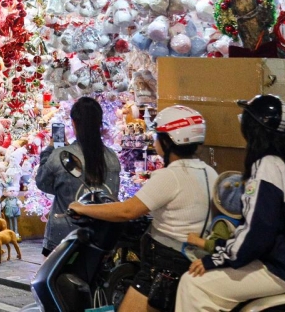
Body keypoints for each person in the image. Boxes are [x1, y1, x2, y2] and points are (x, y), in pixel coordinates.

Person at [70, 105, 216, 312]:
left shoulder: (170, 176)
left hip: (164, 267)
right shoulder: (209, 172)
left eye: (158, 136)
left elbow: (127, 211)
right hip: (191, 259)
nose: (155, 141)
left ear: (168, 141)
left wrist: (83, 208)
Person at [176, 95, 285, 312]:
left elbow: (258, 231)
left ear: (253, 127)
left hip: (282, 268)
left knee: (193, 283)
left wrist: (216, 259)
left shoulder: (267, 166)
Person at [35, 96, 122, 256]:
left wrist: (49, 150)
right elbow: (111, 194)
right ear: (100, 124)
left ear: (74, 123)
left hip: (63, 238)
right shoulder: (112, 158)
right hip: (101, 238)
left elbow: (42, 182)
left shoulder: (61, 156)